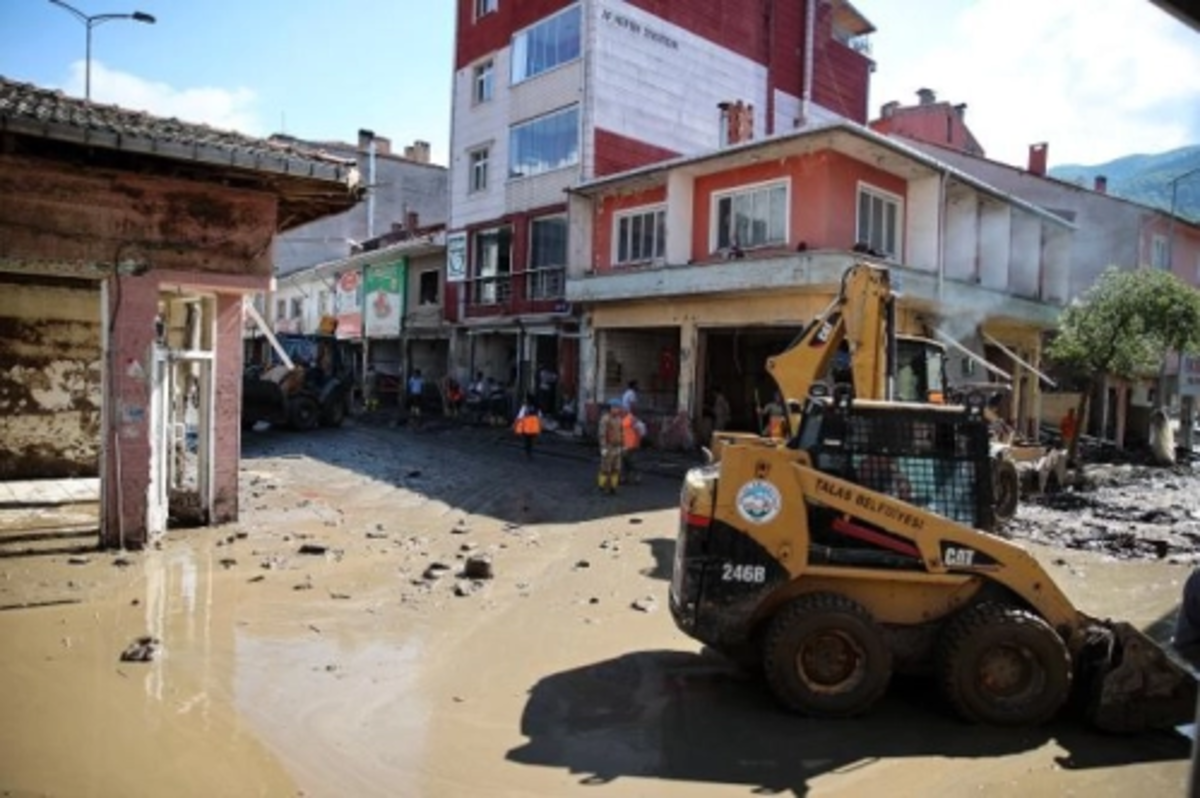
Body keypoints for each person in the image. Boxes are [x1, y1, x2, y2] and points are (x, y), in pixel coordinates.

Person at [597, 399, 625, 495]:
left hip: (617, 446)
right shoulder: (605, 419)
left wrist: (622, 445)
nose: (618, 410)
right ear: (611, 408)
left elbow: (621, 433)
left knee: (616, 468)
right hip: (608, 446)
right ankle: (603, 486)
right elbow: (602, 434)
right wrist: (603, 447)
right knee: (606, 468)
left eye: (619, 408)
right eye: (616, 408)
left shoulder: (619, 419)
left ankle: (613, 487)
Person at [513, 394, 543, 460]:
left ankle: (527, 453)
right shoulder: (536, 407)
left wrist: (516, 424)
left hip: (526, 426)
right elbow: (540, 417)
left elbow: (520, 416)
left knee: (526, 440)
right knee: (531, 440)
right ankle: (529, 452)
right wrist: (540, 426)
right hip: (534, 426)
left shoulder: (525, 407)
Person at [621, 407, 646, 485]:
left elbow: (642, 429)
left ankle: (635, 476)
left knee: (631, 461)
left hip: (631, 444)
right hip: (626, 443)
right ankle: (625, 477)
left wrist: (638, 438)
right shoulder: (624, 419)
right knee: (625, 461)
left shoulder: (631, 419)